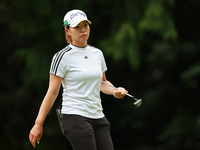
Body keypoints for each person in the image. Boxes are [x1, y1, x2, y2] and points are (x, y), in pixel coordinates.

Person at [29, 9, 128, 150]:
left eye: (85, 26)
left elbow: (102, 82)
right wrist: (38, 123)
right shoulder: (61, 57)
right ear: (67, 30)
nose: (83, 30)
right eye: (77, 27)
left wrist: (115, 90)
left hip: (98, 117)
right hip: (75, 117)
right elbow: (52, 92)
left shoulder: (97, 53)